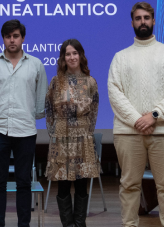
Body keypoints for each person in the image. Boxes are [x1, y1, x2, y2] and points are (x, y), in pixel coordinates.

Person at [108, 2, 164, 227]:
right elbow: (115, 93)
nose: (142, 22)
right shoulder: (120, 57)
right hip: (128, 132)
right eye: (138, 18)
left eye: (146, 18)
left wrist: (154, 115)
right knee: (129, 185)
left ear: (153, 21)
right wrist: (137, 120)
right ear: (132, 22)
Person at [0, 19, 48, 227]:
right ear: (3, 38)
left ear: (23, 38)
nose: (12, 40)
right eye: (8, 36)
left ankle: (24, 224)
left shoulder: (36, 64)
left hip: (26, 130)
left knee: (24, 182)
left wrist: (35, 115)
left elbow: (40, 98)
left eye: (16, 36)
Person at [45, 39, 100, 227]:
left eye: (75, 53)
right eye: (68, 54)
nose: (72, 57)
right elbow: (49, 111)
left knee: (82, 184)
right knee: (62, 184)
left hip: (83, 136)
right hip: (61, 136)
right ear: (63, 58)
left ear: (81, 55)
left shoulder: (91, 82)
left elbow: (93, 112)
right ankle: (67, 225)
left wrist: (86, 133)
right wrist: (55, 133)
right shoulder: (55, 82)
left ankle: (80, 224)